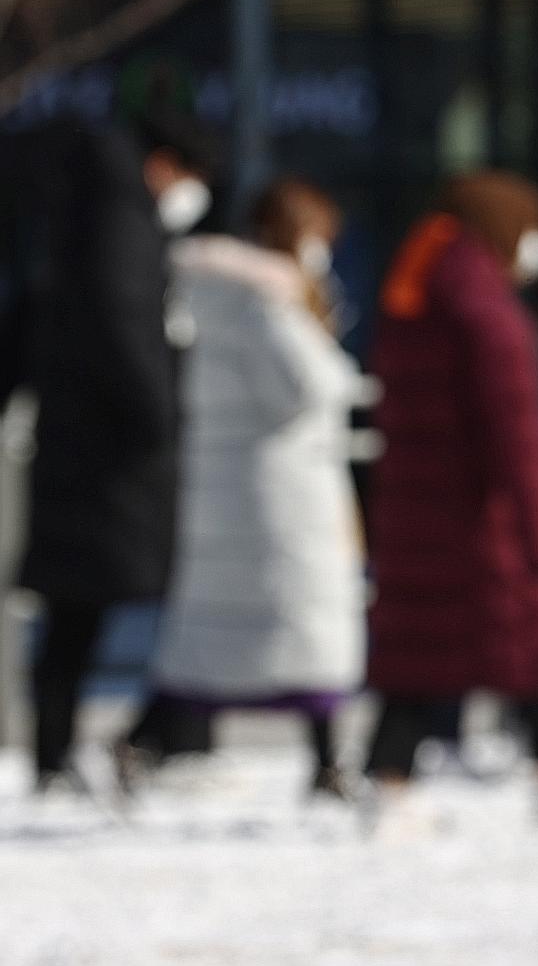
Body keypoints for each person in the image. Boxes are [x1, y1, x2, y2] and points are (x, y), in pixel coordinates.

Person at [365, 171, 538, 822]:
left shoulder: (419, 288)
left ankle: (390, 786)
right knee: (537, 642)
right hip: (485, 517)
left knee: (421, 650)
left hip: (420, 510)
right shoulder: (485, 307)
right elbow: (518, 433)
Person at [116, 179, 365, 798]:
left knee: (213, 633)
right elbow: (311, 386)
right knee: (306, 627)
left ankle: (148, 740)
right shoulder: (264, 302)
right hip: (282, 495)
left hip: (228, 489)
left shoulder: (212, 296)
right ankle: (328, 764)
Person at [12, 111, 215, 793]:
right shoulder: (120, 220)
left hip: (83, 446)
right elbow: (123, 326)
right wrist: (159, 416)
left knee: (83, 608)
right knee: (111, 605)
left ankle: (74, 748)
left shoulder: (88, 212)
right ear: (163, 163)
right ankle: (142, 741)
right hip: (111, 455)